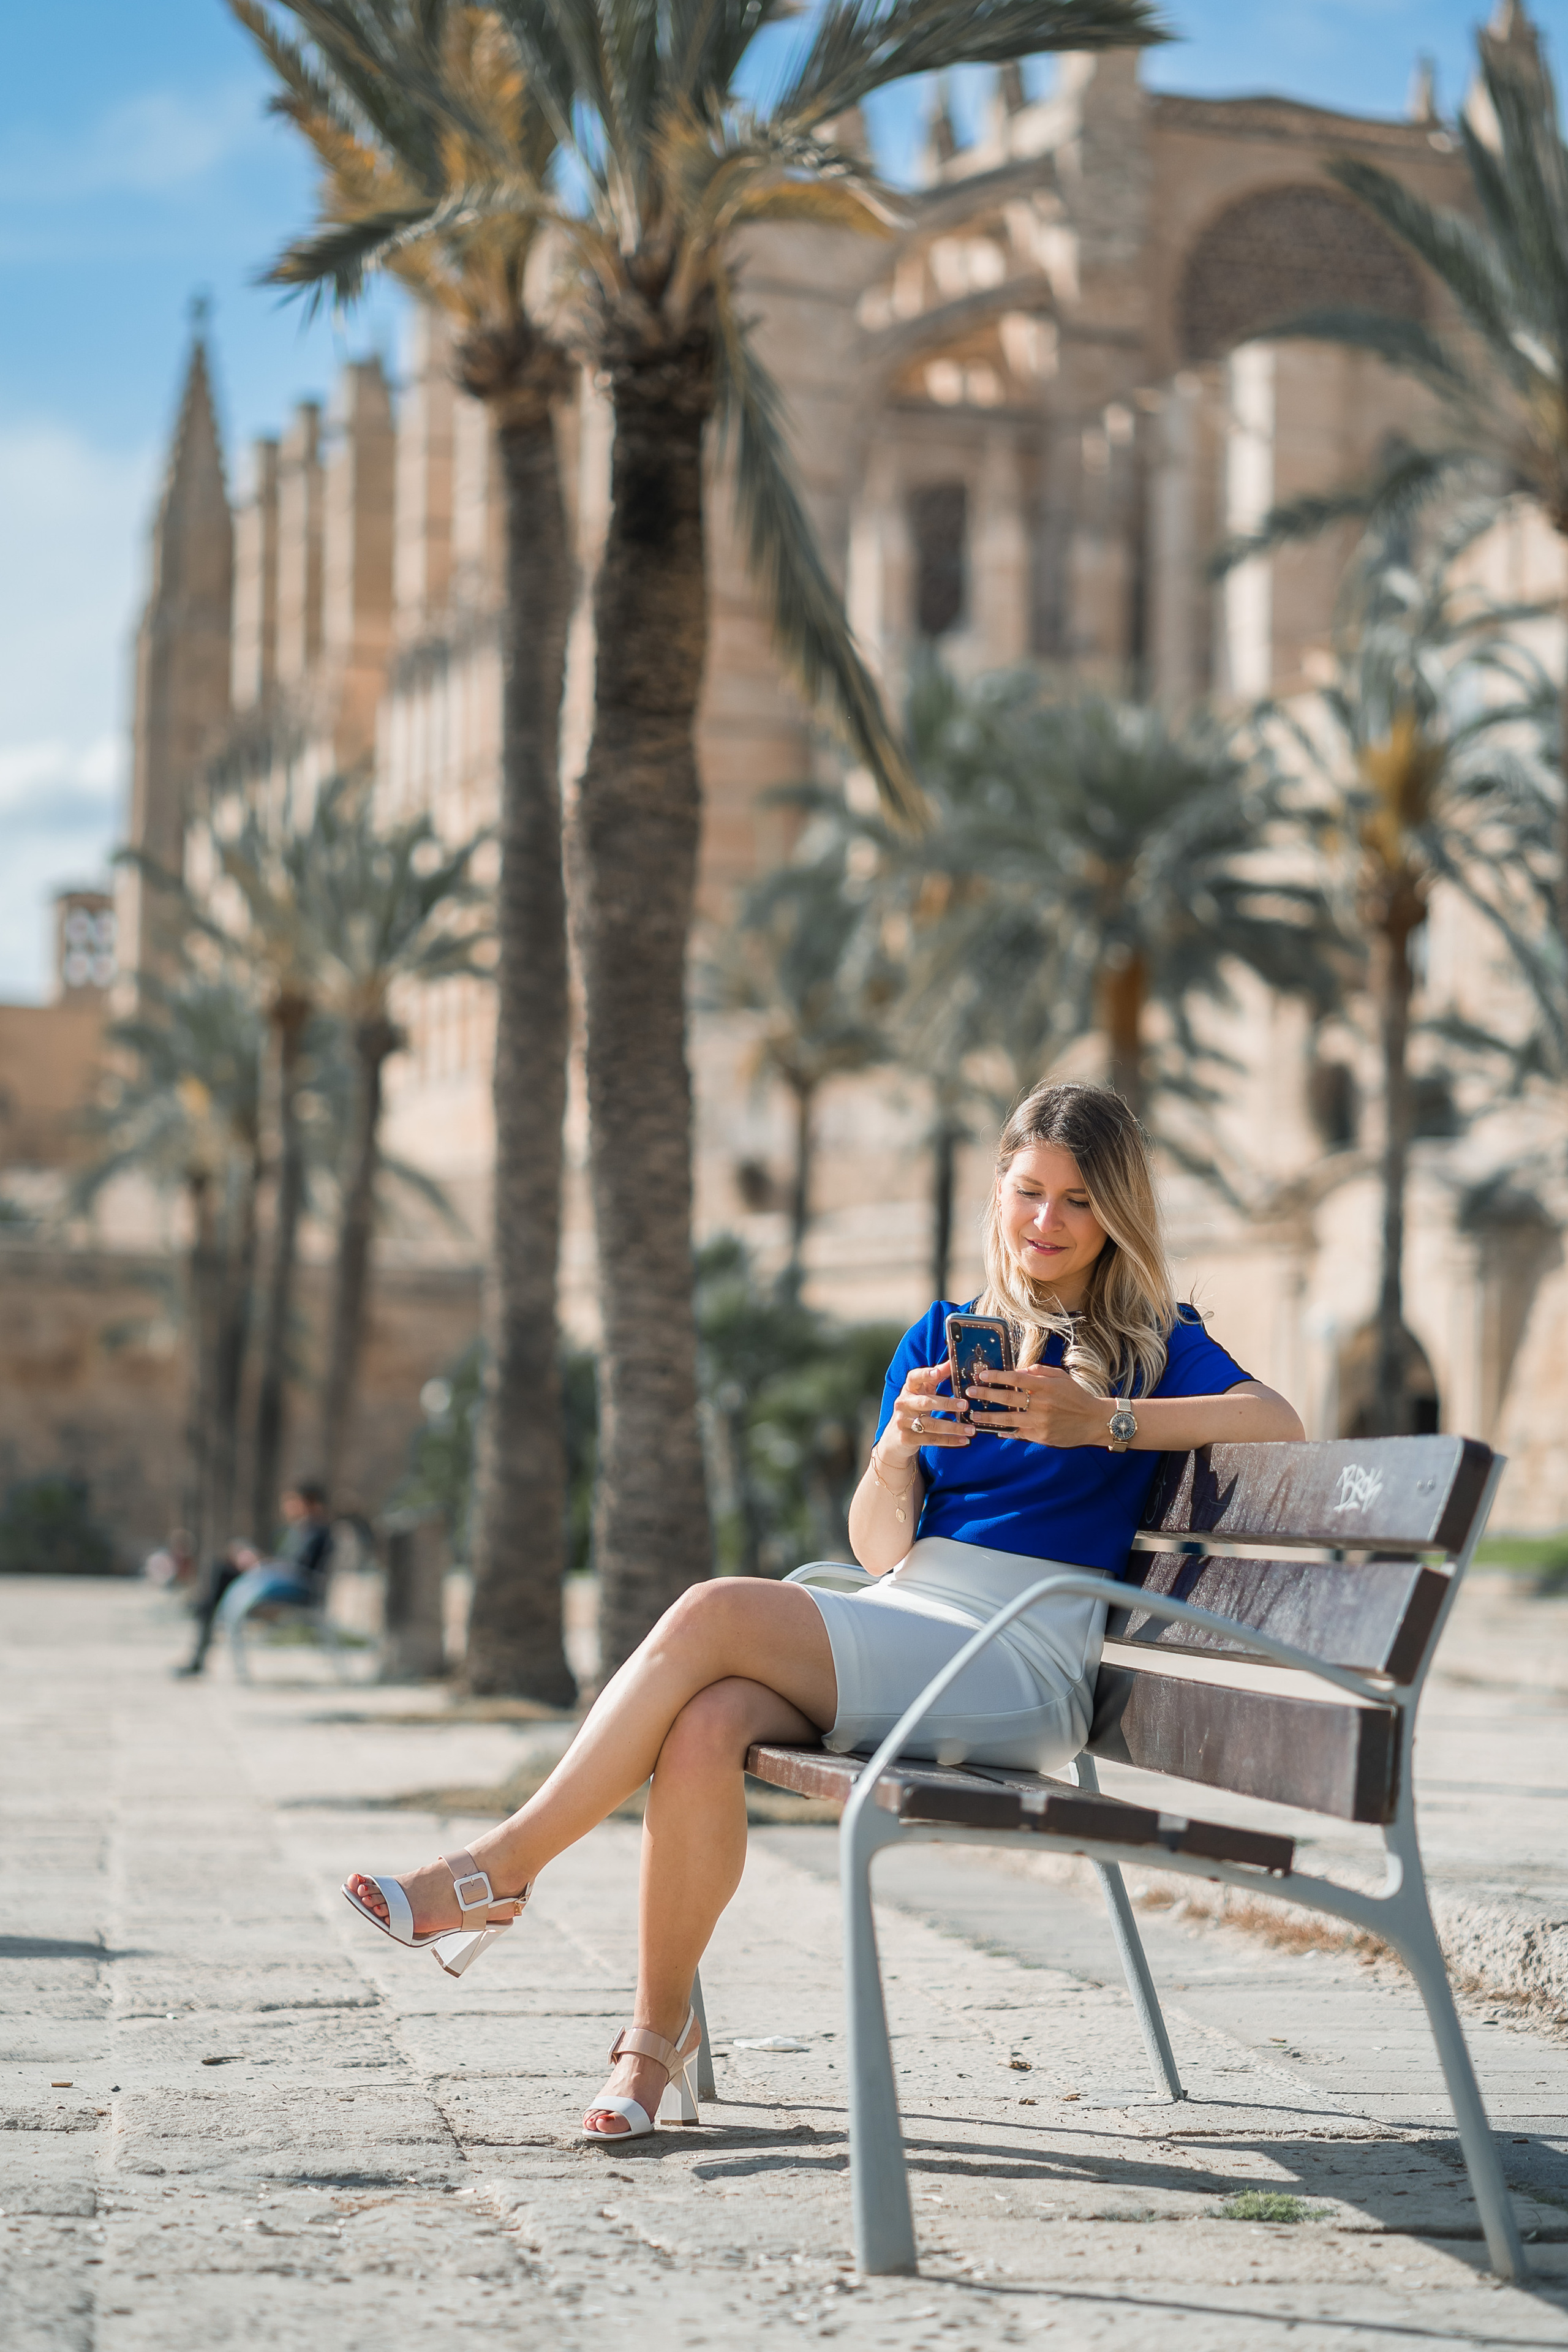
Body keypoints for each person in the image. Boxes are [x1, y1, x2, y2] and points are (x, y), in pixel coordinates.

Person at [342, 1082, 1303, 2141]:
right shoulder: (945, 1334)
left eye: (1077, 1201)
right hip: (914, 1615)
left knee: (712, 1610)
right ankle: (650, 2047)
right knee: (709, 1724)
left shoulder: (1156, 1341)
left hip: (1020, 1659)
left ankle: (501, 1869)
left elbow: (1281, 1425)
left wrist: (1106, 1421)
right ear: (998, 1191)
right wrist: (898, 1448)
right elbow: (878, 1550)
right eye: (1028, 1192)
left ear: (1117, 1212)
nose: (1046, 1223)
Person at [173, 1482, 334, 1676]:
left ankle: (202, 1630)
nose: (287, 1507)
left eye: (292, 1502)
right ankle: (203, 1621)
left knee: (221, 1575)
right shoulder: (302, 1529)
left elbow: (299, 1569)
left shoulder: (317, 1531)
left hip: (295, 1590)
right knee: (222, 1571)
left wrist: (260, 1565)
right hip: (282, 1583)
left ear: (308, 1502)